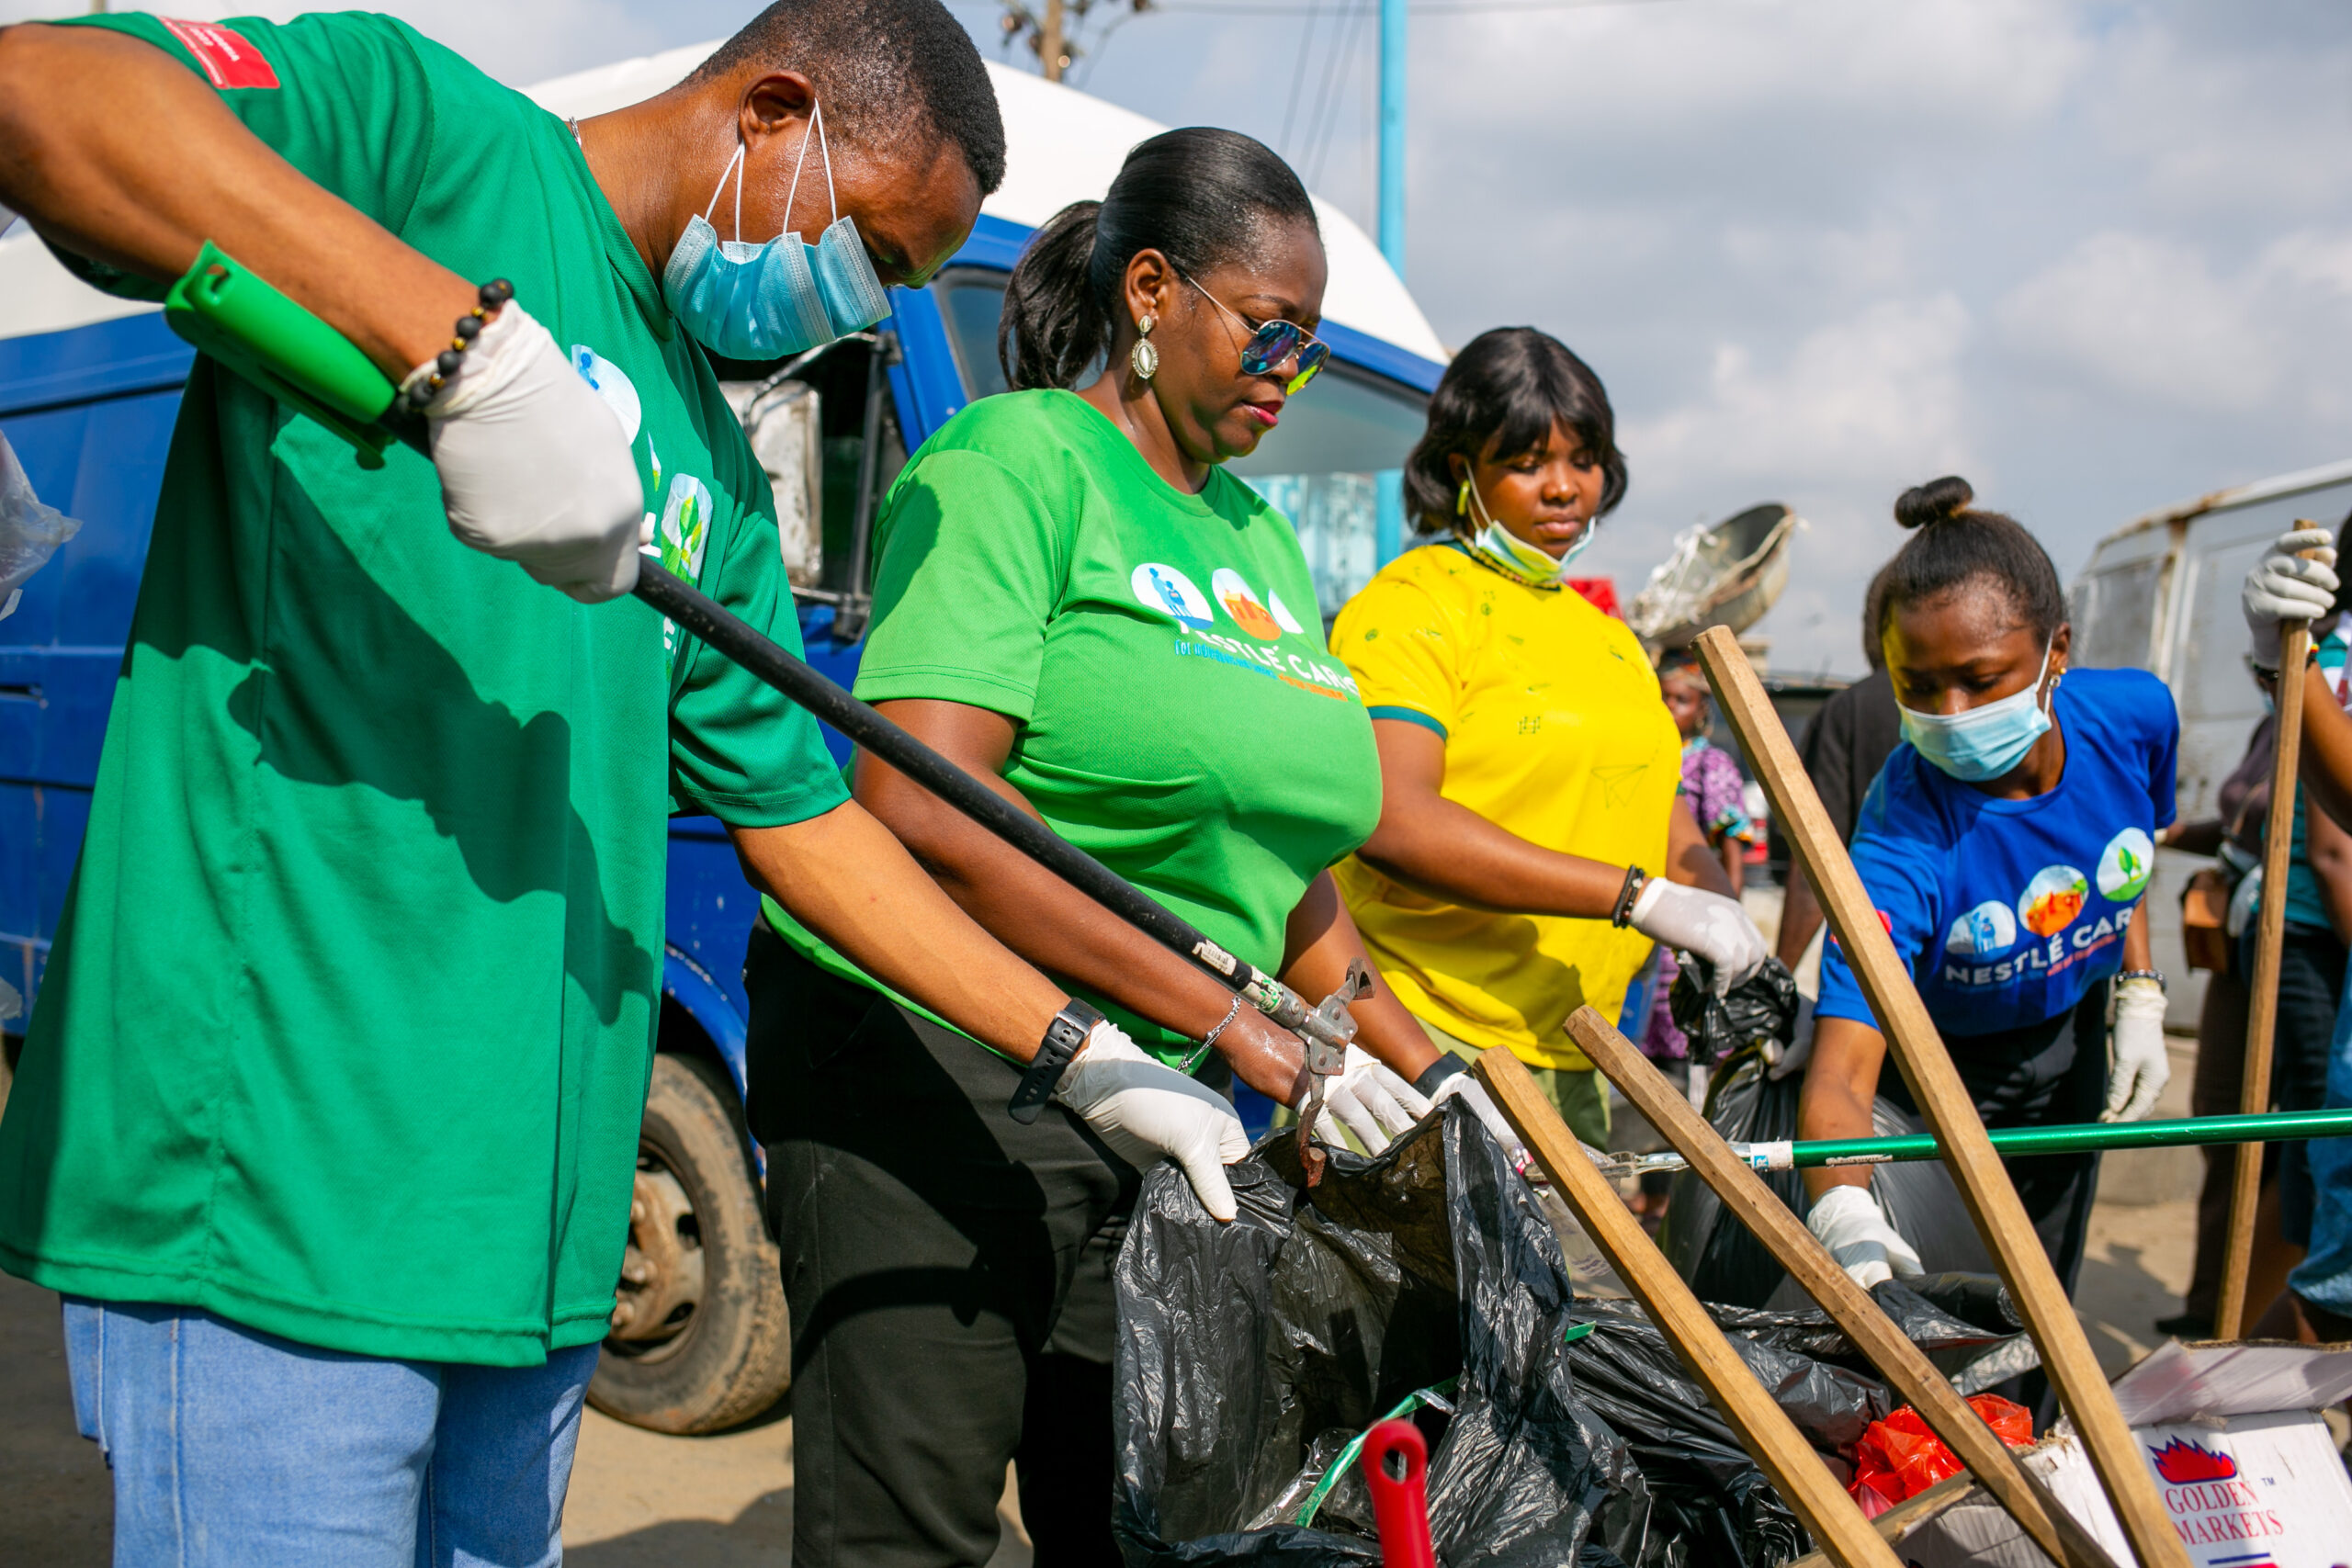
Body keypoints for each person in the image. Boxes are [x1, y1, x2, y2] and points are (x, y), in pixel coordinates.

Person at [0, 9, 1243, 1562]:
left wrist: (1088, 1053)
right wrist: (468, 356)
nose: (854, 307)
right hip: (284, 1185)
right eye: (869, 254)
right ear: (775, 109)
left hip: (532, 1248)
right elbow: (49, 96)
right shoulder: (429, 136)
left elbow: (810, 825)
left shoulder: (715, 473)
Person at [744, 128, 1464, 1568]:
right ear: (1151, 290)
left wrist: (1422, 1061)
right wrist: (1247, 1033)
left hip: (1162, 1102)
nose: (1289, 373)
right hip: (937, 1057)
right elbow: (930, 811)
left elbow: (1284, 851)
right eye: (1272, 332)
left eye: (1311, 349)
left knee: (1138, 1517)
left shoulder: (1258, 539)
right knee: (912, 1528)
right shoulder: (1019, 459)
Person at [1329, 326, 1770, 1150]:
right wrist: (1642, 898)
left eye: (1585, 458)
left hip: (1580, 1055)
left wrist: (1719, 913)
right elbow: (1394, 821)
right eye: (1528, 463)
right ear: (1464, 470)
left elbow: (1656, 807)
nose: (1566, 488)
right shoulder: (1414, 604)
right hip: (1422, 1046)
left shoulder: (1608, 639)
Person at [1799, 478, 2177, 1354]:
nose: (1950, 714)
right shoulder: (1901, 835)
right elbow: (1845, 1075)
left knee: (2045, 1308)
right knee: (1951, 1327)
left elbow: (2128, 855)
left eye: (1980, 679)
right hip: (1938, 1074)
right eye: (1918, 685)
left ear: (2056, 654)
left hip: (2073, 1045)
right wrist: (1845, 1210)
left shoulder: (2134, 716)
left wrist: (2141, 991)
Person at [1773, 562, 1905, 975]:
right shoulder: (2021, 704)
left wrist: (1777, 979)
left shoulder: (1851, 710)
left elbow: (1816, 860)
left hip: (1875, 962)